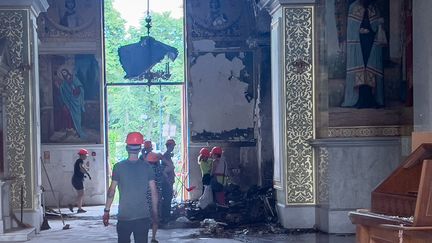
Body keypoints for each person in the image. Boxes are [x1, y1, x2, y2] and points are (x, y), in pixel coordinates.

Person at [103, 132, 158, 243]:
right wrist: (155, 212)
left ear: (127, 147)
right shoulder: (147, 167)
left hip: (124, 216)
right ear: (140, 149)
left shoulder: (118, 167)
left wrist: (106, 211)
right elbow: (154, 192)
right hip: (142, 216)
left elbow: (111, 191)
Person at [341, 0, 386, 108]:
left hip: (371, 43)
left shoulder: (374, 8)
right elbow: (352, 27)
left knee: (370, 68)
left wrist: (376, 25)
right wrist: (360, 30)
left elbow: (376, 26)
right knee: (360, 69)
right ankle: (360, 99)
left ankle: (371, 99)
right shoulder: (353, 7)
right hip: (359, 44)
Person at [58, 66, 86, 138]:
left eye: (65, 72)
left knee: (77, 117)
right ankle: (73, 131)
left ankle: (78, 131)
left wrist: (76, 90)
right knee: (70, 117)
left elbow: (80, 87)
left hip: (76, 101)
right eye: (62, 73)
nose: (64, 74)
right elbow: (63, 93)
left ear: (67, 72)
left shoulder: (74, 79)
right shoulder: (63, 84)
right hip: (69, 103)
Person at [144, 151, 163, 243]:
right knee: (155, 217)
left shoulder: (144, 170)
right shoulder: (158, 169)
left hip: (145, 197)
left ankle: (143, 237)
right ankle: (153, 238)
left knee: (145, 218)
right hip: (155, 195)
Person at [69, 148, 91, 213]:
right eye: (85, 155)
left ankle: (75, 206)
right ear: (82, 155)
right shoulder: (80, 161)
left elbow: (80, 170)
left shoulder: (79, 161)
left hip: (76, 179)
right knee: (81, 194)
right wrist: (88, 174)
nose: (86, 157)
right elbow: (82, 168)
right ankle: (77, 208)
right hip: (77, 180)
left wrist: (85, 172)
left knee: (80, 194)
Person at [161, 139, 176, 223]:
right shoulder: (165, 156)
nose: (173, 147)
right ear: (169, 146)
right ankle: (165, 217)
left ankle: (166, 216)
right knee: (167, 199)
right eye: (172, 146)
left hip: (169, 181)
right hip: (167, 182)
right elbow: (164, 171)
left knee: (168, 199)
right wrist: (168, 180)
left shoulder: (168, 156)